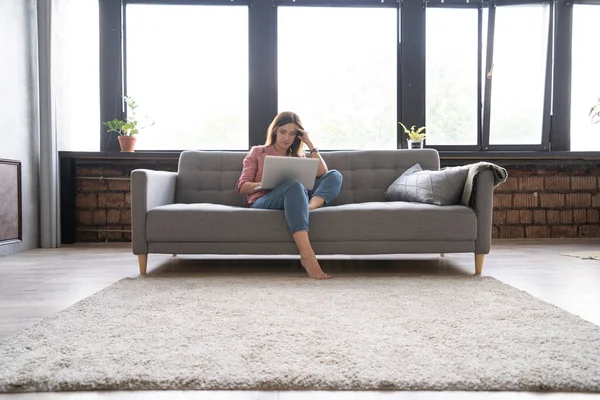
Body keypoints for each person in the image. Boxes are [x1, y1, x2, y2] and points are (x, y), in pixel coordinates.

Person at [235, 111, 343, 280]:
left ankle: (308, 207)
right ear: (275, 131)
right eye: (283, 132)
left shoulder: (297, 157)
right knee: (293, 185)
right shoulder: (258, 152)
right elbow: (242, 187)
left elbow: (323, 172)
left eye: (292, 134)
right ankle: (307, 256)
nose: (286, 138)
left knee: (334, 175)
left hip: (296, 196)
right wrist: (266, 183)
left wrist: (309, 143)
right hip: (264, 199)